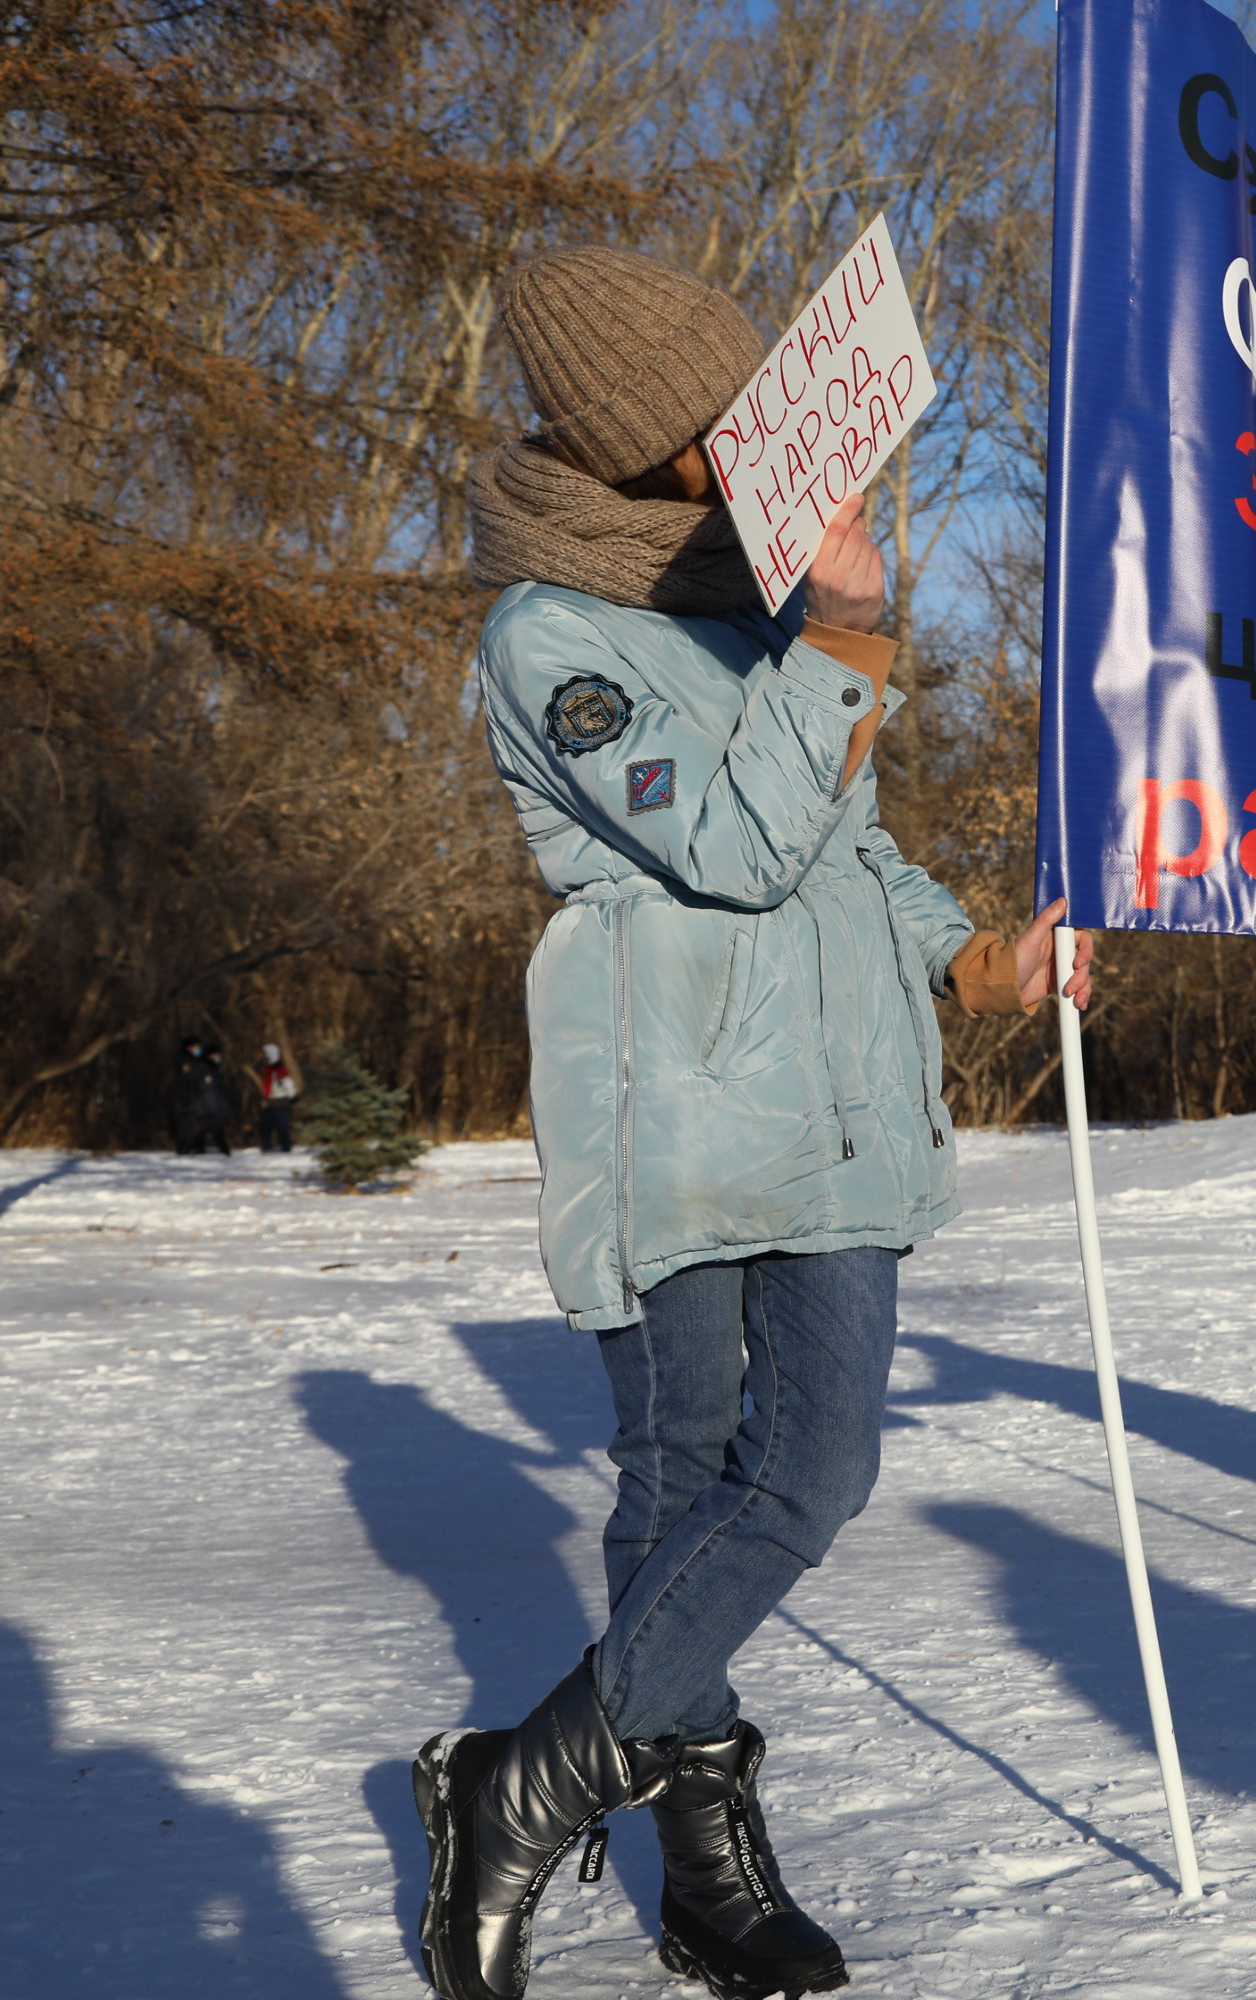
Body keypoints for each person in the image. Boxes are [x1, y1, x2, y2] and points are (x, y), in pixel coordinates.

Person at [413, 245, 1088, 2000]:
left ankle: (517, 1784)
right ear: (651, 446)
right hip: (686, 1122)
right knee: (681, 1484)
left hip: (842, 1119)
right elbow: (728, 843)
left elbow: (848, 847)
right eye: (729, 424)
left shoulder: (768, 606)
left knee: (813, 1473)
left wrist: (976, 966)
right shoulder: (550, 637)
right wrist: (850, 636)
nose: (772, 444)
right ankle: (700, 1864)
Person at [171, 1037, 233, 1155]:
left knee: (203, 1130)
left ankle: (194, 1149)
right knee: (200, 1130)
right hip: (196, 1107)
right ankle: (188, 1149)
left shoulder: (202, 1067)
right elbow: (206, 1091)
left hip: (199, 1107)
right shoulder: (195, 1066)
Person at [253, 1044, 301, 1153]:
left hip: (280, 1101)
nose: (262, 1055)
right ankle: (267, 1146)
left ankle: (286, 1147)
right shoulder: (265, 1067)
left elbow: (288, 1083)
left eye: (265, 1053)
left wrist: (292, 1095)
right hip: (269, 1101)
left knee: (282, 1126)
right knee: (265, 1125)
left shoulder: (279, 1069)